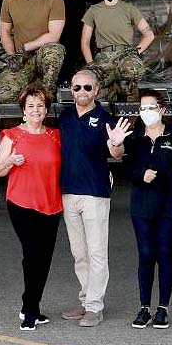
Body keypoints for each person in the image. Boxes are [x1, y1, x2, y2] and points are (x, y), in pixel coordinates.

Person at [58, 69, 131, 327]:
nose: (81, 93)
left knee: (97, 252)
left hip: (95, 193)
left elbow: (117, 152)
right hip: (68, 193)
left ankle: (95, 307)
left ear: (97, 90)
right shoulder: (64, 117)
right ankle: (85, 300)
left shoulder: (105, 118)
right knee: (79, 253)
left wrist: (117, 143)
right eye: (77, 88)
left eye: (87, 88)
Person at [0, 86, 63, 331]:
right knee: (32, 256)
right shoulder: (13, 136)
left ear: (46, 110)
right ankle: (31, 309)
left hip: (52, 204)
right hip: (22, 204)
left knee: (44, 259)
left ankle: (31, 305)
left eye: (40, 105)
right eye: (31, 105)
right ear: (23, 110)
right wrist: (11, 161)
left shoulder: (55, 135)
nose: (36, 110)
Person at [121, 89, 172, 330]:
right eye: (142, 108)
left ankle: (163, 308)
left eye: (150, 107)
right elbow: (125, 169)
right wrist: (141, 174)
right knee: (146, 253)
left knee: (164, 253)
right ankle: (144, 307)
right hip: (141, 205)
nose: (145, 112)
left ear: (161, 109)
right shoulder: (134, 138)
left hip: (169, 205)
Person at [0, 0, 66, 103]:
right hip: (22, 59)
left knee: (54, 49)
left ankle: (47, 95)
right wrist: (12, 56)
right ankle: (31, 87)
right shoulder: (9, 0)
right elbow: (5, 32)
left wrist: (25, 47)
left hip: (44, 56)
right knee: (4, 94)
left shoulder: (54, 0)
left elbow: (54, 35)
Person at [81, 0, 155, 101]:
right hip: (104, 56)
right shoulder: (93, 10)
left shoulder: (129, 9)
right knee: (96, 91)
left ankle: (131, 110)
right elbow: (85, 41)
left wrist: (136, 52)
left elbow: (149, 34)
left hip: (125, 54)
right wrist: (91, 65)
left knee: (133, 70)